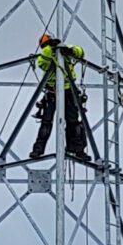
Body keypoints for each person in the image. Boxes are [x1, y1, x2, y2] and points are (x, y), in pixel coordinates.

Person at [30, 32, 93, 164]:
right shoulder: (47, 53)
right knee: (57, 122)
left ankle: (76, 149)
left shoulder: (63, 50)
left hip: (67, 91)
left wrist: (69, 50)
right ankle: (39, 150)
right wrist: (51, 50)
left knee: (71, 122)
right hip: (54, 91)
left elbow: (80, 52)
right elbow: (43, 63)